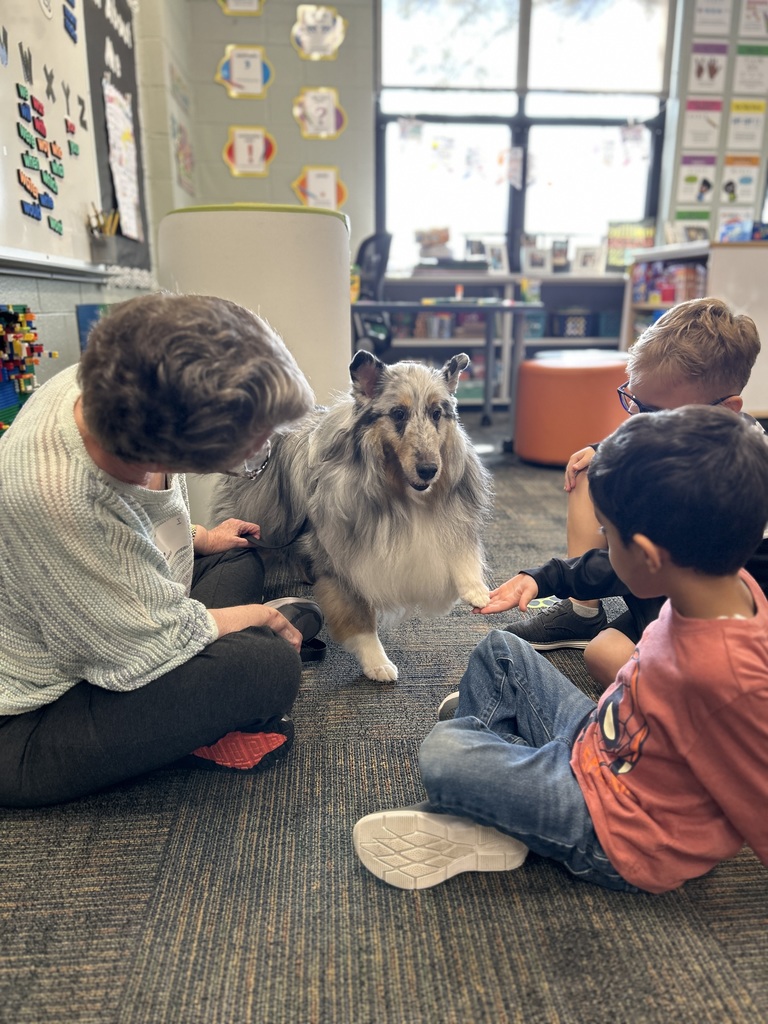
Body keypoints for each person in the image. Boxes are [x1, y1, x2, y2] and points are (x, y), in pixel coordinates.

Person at [353, 405, 768, 893]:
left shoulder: (730, 678)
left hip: (619, 829)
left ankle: (487, 811)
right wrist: (541, 576)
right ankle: (498, 787)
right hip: (603, 739)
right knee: (501, 651)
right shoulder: (719, 578)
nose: (602, 548)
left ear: (651, 557)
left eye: (607, 537)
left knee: (445, 752)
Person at [0, 292, 323, 808]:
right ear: (167, 448)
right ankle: (194, 729)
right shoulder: (59, 498)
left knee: (239, 549)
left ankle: (212, 692)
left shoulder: (108, 384)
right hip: (31, 718)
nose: (257, 456)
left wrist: (200, 537)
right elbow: (132, 655)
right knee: (269, 670)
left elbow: (134, 527)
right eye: (250, 451)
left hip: (114, 608)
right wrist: (256, 618)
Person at [476, 297, 765, 690]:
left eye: (654, 413)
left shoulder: (718, 485)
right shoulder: (700, 442)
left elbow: (650, 568)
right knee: (593, 465)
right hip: (671, 585)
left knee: (604, 654)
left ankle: (678, 695)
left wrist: (551, 577)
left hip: (704, 602)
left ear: (724, 410)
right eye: (634, 401)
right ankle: (581, 613)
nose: (635, 421)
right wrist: (603, 449)